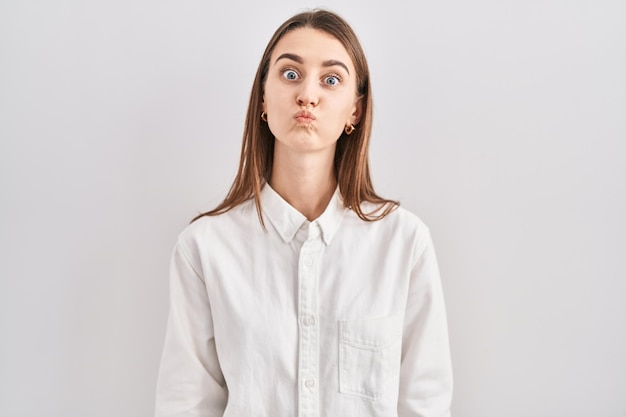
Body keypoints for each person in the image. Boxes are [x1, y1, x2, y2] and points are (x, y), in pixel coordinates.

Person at [155, 9, 452, 417]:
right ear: (263, 96)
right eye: (291, 74)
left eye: (331, 80)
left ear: (355, 110)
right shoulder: (204, 249)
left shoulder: (403, 244)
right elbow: (185, 404)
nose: (307, 95)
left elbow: (425, 403)